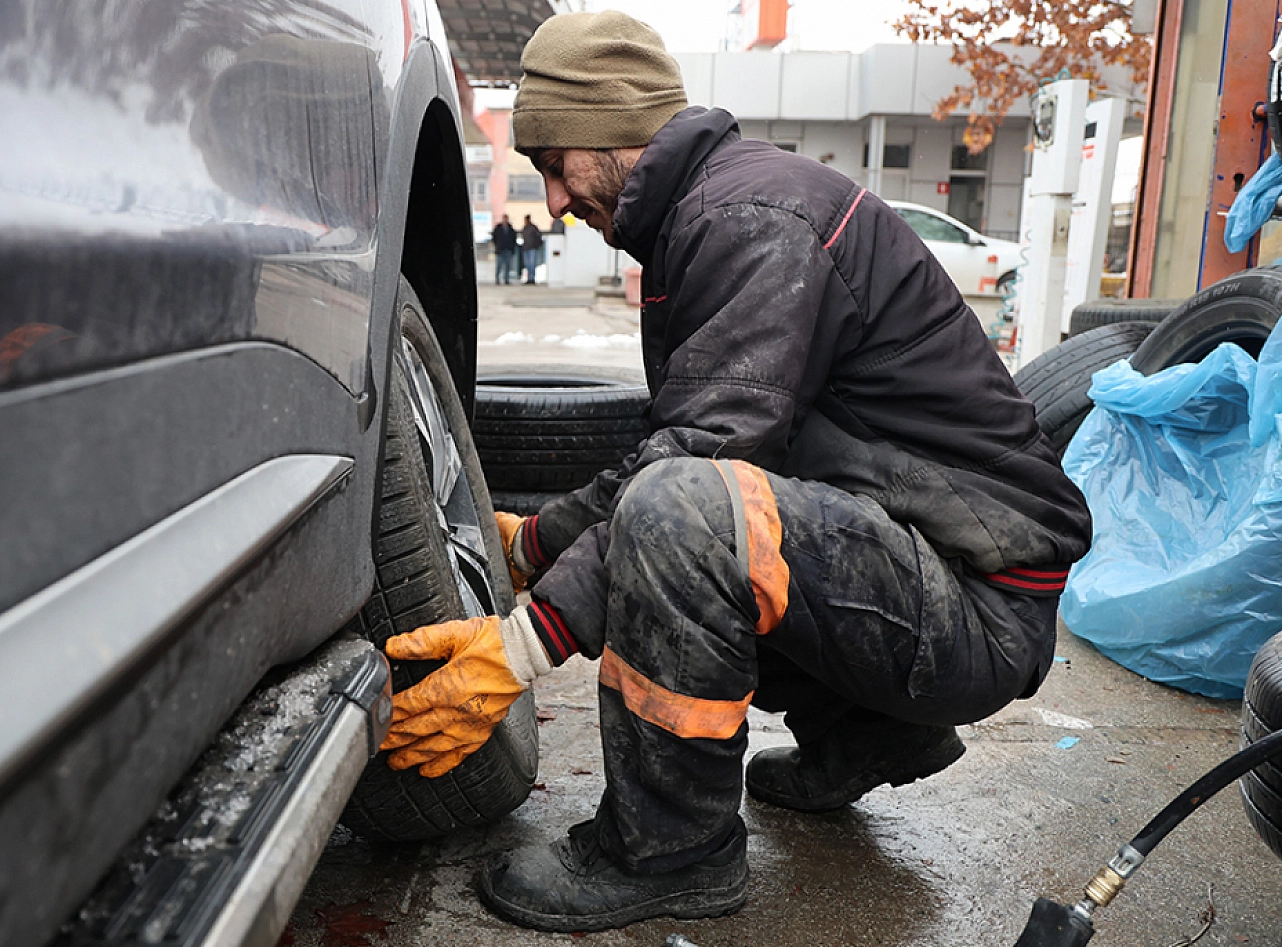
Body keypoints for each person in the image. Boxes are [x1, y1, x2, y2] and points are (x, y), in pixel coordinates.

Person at [375, 10, 1091, 934]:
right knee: (693, 507)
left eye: (556, 163)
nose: (550, 200)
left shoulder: (746, 219)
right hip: (927, 564)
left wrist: (520, 645)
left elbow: (693, 474)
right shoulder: (706, 214)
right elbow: (690, 435)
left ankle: (672, 851)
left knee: (687, 521)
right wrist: (537, 542)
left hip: (977, 605)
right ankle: (871, 730)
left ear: (616, 130)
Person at [492, 214, 519, 284]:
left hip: (508, 249)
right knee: (499, 265)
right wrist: (497, 245)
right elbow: (494, 237)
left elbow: (513, 238)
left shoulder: (510, 229)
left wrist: (512, 247)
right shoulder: (498, 228)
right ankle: (497, 279)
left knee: (507, 266)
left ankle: (506, 279)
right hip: (500, 249)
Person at [520, 214, 545, 283]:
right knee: (528, 264)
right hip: (527, 248)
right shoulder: (526, 228)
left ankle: (532, 278)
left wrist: (536, 245)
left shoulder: (532, 228)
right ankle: (529, 278)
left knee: (531, 264)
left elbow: (538, 236)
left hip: (532, 248)